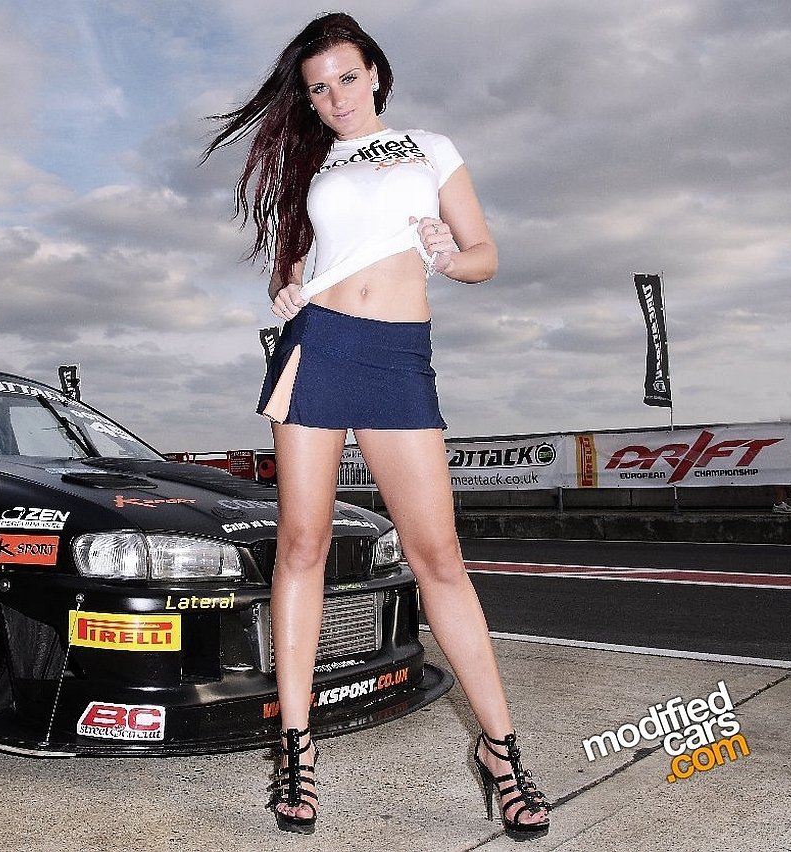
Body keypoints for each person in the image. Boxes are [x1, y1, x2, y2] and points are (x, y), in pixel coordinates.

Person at [201, 12, 549, 838]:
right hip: (316, 346)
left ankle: (500, 751)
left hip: (397, 356)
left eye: (347, 78)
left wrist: (444, 251)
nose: (335, 97)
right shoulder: (314, 165)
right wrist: (285, 291)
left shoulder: (431, 147)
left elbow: (484, 255)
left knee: (437, 558)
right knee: (302, 547)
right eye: (319, 88)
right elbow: (298, 265)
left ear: (376, 75)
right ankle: (295, 745)